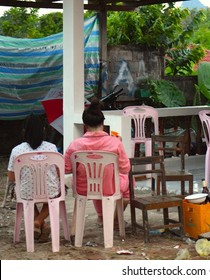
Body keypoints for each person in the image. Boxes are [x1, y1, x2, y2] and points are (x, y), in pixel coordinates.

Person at [64, 98, 130, 226]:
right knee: (125, 181)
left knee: (95, 179)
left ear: (85, 125)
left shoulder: (75, 145)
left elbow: (66, 169)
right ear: (103, 122)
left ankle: (101, 217)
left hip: (83, 188)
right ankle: (114, 219)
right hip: (110, 187)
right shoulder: (115, 142)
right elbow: (125, 168)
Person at [7, 114, 60, 241]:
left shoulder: (17, 150)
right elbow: (59, 172)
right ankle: (40, 221)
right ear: (43, 130)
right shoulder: (52, 148)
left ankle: (37, 221)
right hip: (50, 191)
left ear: (24, 131)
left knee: (26, 195)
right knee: (56, 193)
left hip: (26, 192)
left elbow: (11, 177)